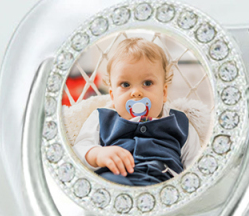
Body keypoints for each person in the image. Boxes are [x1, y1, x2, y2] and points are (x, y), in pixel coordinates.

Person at [73, 38, 202, 186]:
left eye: (147, 83)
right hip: (116, 179)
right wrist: (98, 155)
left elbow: (197, 164)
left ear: (164, 92)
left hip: (163, 183)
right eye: (125, 84)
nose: (136, 92)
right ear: (113, 96)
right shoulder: (101, 118)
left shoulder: (180, 122)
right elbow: (78, 151)